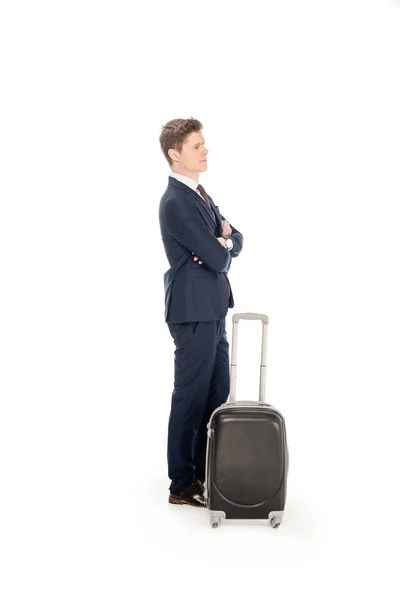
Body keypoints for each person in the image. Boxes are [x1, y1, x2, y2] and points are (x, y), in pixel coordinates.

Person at [158, 118, 243, 507]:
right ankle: (181, 483)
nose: (205, 150)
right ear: (175, 154)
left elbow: (235, 239)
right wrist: (219, 244)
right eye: (197, 146)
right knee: (190, 397)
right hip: (192, 313)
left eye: (204, 143)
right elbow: (217, 257)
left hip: (213, 309)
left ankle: (203, 472)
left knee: (217, 394)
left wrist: (222, 239)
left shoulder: (201, 193)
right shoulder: (176, 201)